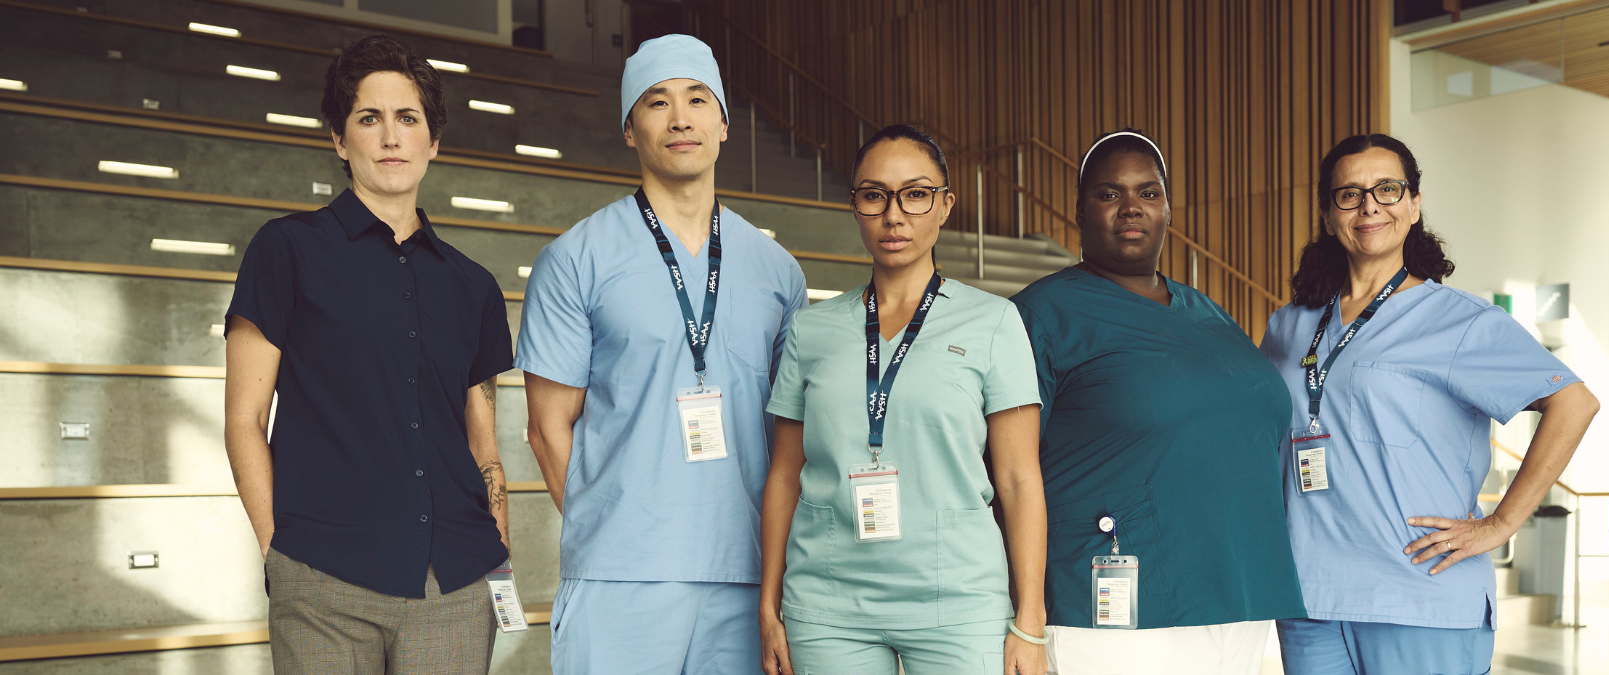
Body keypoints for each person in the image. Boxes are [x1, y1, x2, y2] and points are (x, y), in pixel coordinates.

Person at [514, 34, 807, 674]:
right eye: (656, 102)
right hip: (620, 578)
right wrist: (612, 532)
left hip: (746, 573)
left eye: (698, 99)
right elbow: (546, 427)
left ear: (724, 124)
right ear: (630, 129)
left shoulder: (777, 271)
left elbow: (789, 435)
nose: (680, 118)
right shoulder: (576, 259)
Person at [223, 34, 513, 674]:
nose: (390, 137)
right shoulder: (285, 250)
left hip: (457, 583)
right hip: (323, 578)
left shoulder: (473, 286)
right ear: (338, 138)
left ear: (433, 141)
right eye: (368, 118)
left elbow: (484, 447)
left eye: (408, 118)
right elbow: (245, 420)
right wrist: (280, 554)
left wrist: (499, 562)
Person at [1260, 133, 1601, 674]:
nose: (1369, 205)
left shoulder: (1461, 321)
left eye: (1387, 189)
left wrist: (1501, 523)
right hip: (1309, 595)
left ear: (1414, 205)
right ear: (1328, 215)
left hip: (1420, 593)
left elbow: (1574, 402)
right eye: (1349, 194)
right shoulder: (1289, 325)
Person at [1009, 129, 1306, 674]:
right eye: (1109, 194)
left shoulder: (1209, 313)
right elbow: (1006, 472)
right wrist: (1021, 612)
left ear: (1168, 209)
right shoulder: (1041, 315)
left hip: (1238, 590)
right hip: (1112, 600)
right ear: (1079, 210)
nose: (1131, 207)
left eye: (1148, 193)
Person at [757, 124, 1049, 675]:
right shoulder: (811, 330)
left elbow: (1018, 479)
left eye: (915, 194)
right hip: (827, 605)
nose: (894, 215)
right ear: (855, 206)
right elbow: (785, 475)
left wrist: (1029, 618)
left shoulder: (993, 322)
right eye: (875, 195)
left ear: (945, 206)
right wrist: (769, 607)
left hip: (959, 600)